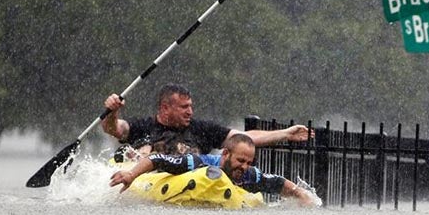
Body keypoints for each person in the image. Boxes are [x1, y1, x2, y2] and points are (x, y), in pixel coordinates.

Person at [109, 133, 320, 207]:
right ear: (225, 155)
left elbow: (278, 182)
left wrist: (302, 195)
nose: (244, 167)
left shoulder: (248, 174)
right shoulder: (197, 162)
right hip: (169, 184)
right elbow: (157, 159)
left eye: (249, 162)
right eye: (240, 160)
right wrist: (131, 175)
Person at [102, 83, 312, 156]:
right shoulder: (143, 126)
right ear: (165, 108)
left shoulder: (202, 129)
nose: (190, 112)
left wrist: (285, 134)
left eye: (191, 106)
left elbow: (244, 137)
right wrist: (112, 111)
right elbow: (114, 129)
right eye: (184, 107)